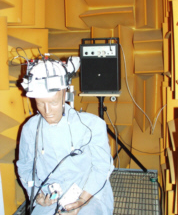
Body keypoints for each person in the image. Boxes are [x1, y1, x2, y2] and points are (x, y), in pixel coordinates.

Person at [16, 55, 114, 215]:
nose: (47, 111)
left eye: (53, 103)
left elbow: (102, 168)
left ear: (65, 93)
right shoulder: (29, 129)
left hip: (89, 195)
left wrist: (82, 201)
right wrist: (36, 194)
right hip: (51, 199)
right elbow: (25, 167)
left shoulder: (92, 125)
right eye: (40, 103)